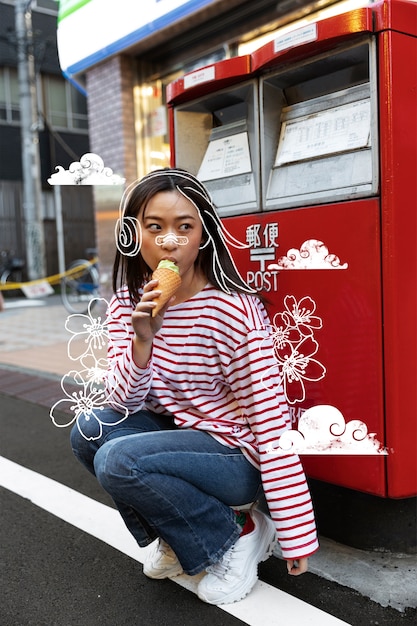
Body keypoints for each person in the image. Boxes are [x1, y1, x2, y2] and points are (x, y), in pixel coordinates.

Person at [70, 168, 319, 605]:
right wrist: (142, 340)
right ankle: (178, 535)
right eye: (155, 227)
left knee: (118, 460)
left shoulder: (231, 311)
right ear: (133, 235)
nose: (169, 241)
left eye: (184, 227)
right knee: (90, 430)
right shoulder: (128, 302)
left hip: (233, 456)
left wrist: (297, 533)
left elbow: (271, 419)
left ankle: (240, 532)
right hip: (179, 438)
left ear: (204, 234)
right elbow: (123, 402)